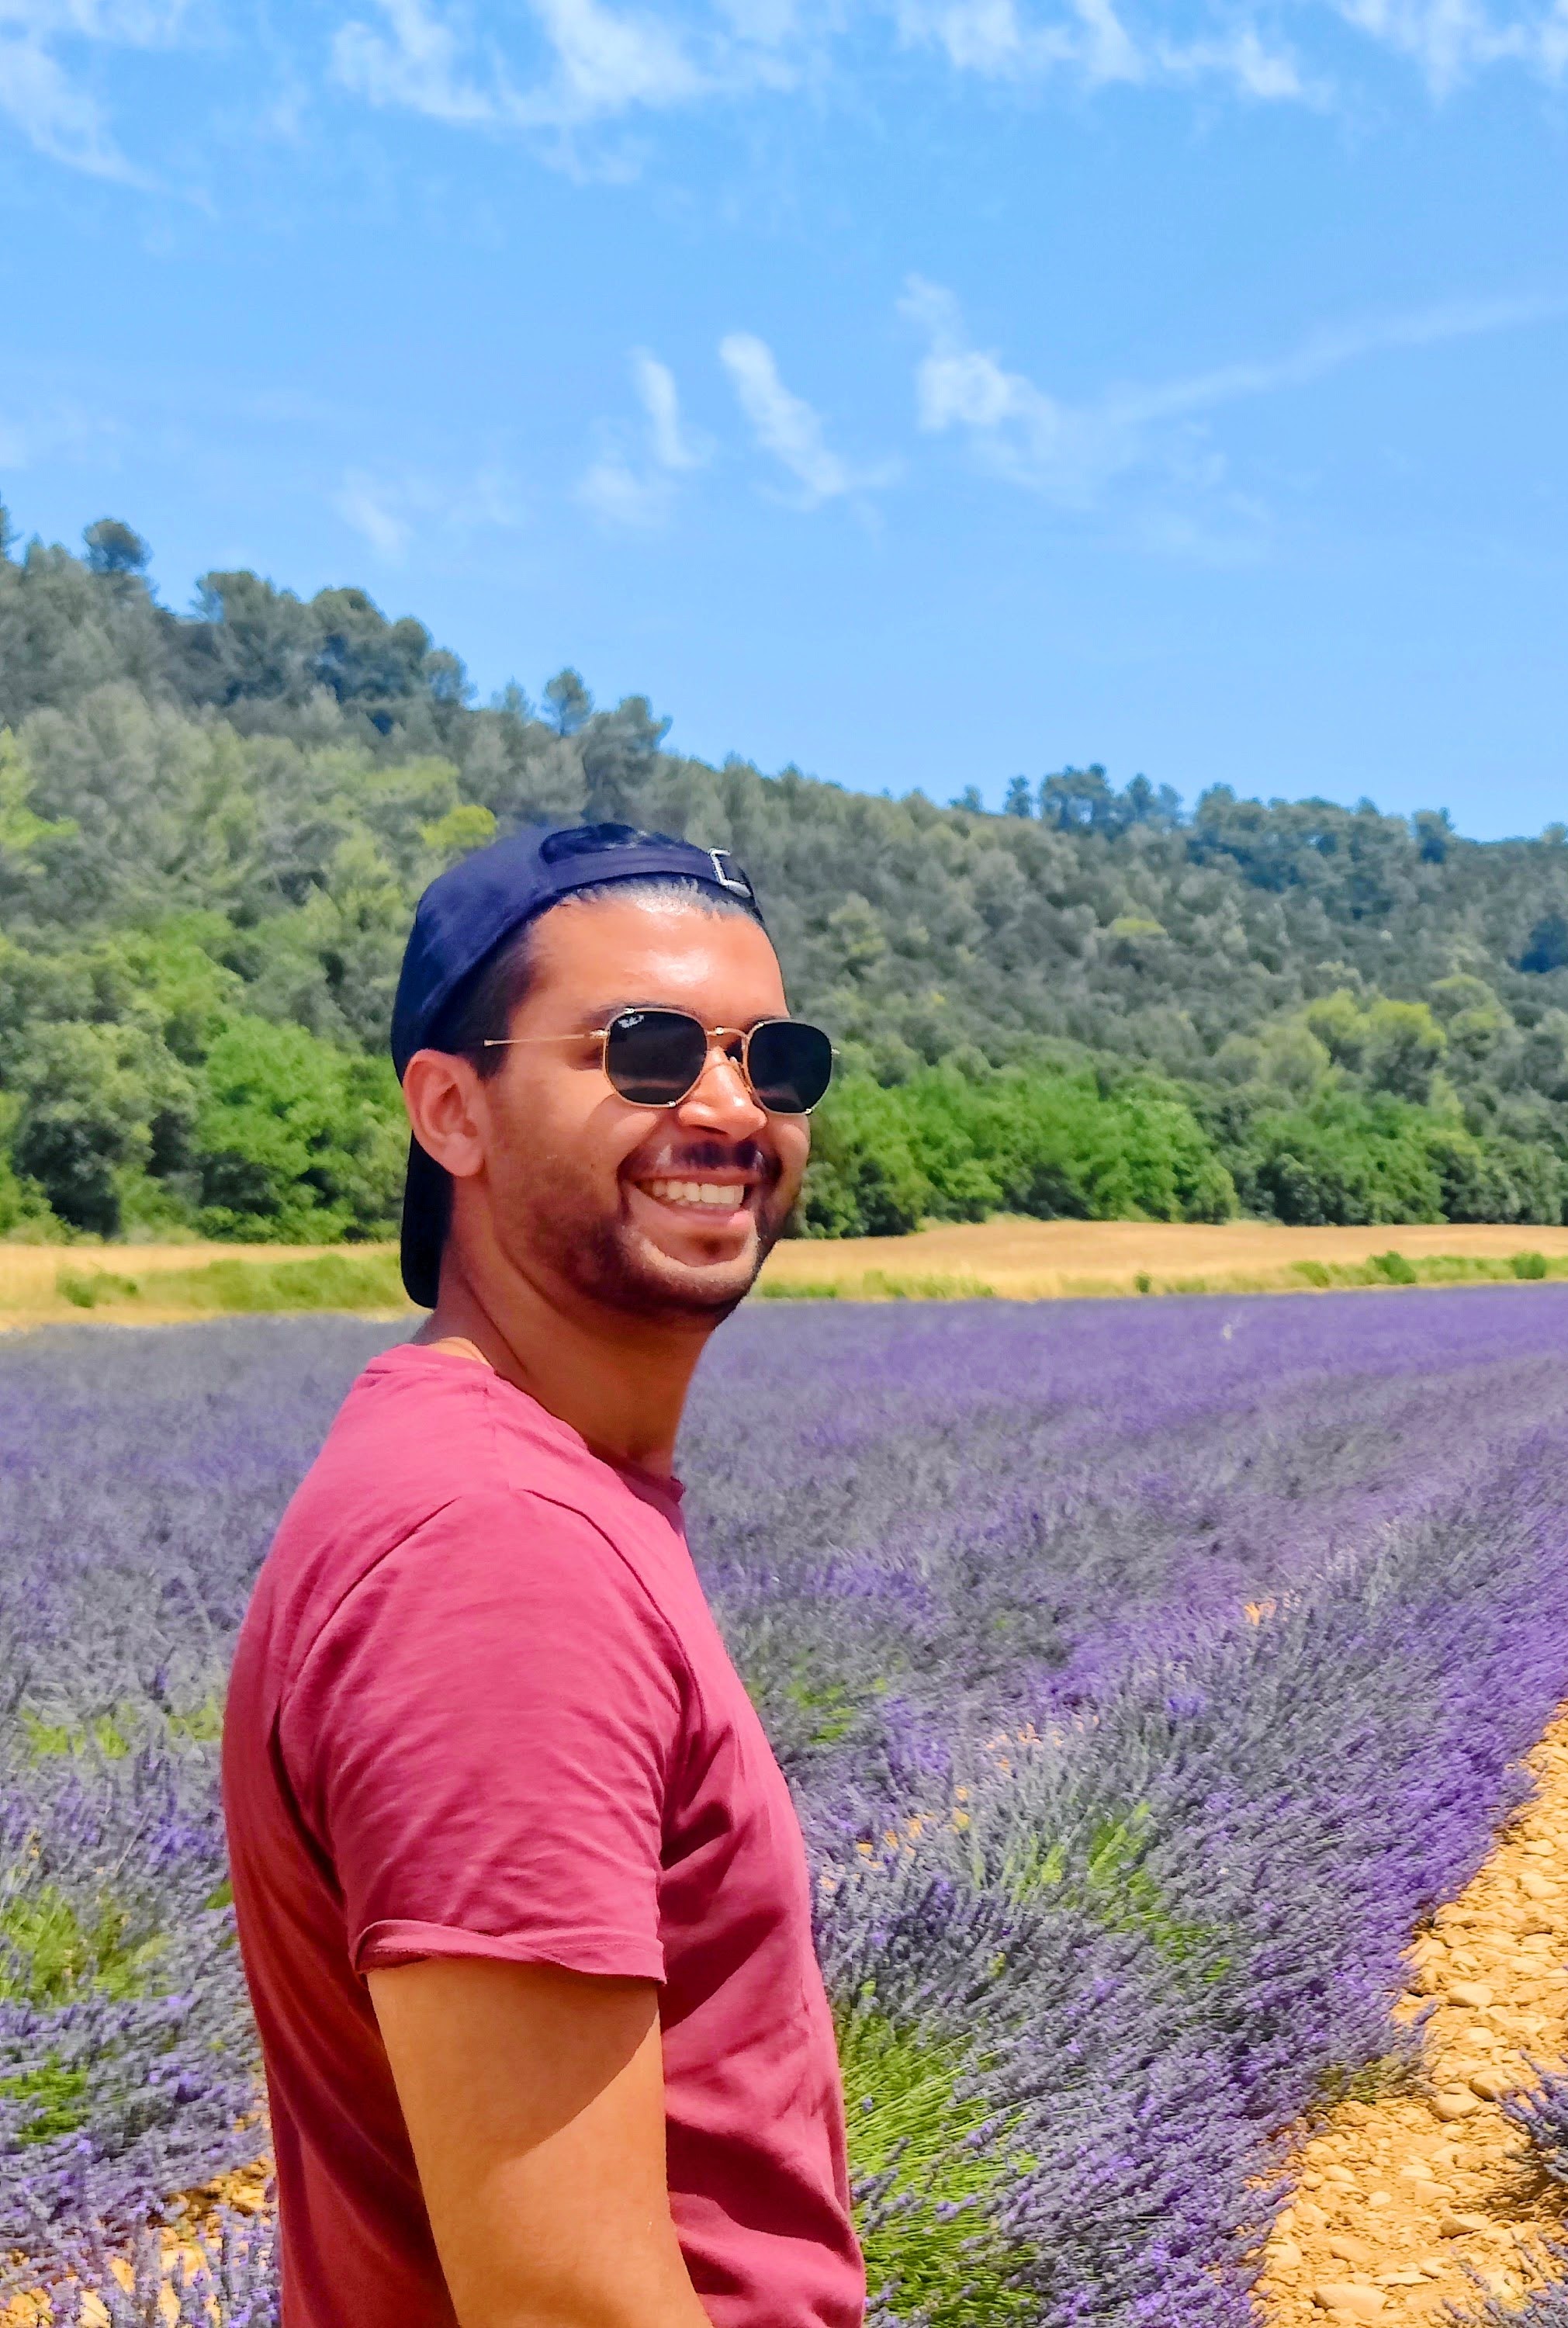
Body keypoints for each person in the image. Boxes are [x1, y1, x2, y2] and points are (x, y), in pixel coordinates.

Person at [221, 823, 864, 2328]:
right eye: (643, 1052)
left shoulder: (537, 1490)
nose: (728, 1108)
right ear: (452, 1110)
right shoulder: (494, 1558)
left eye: (773, 1062)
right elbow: (567, 2301)